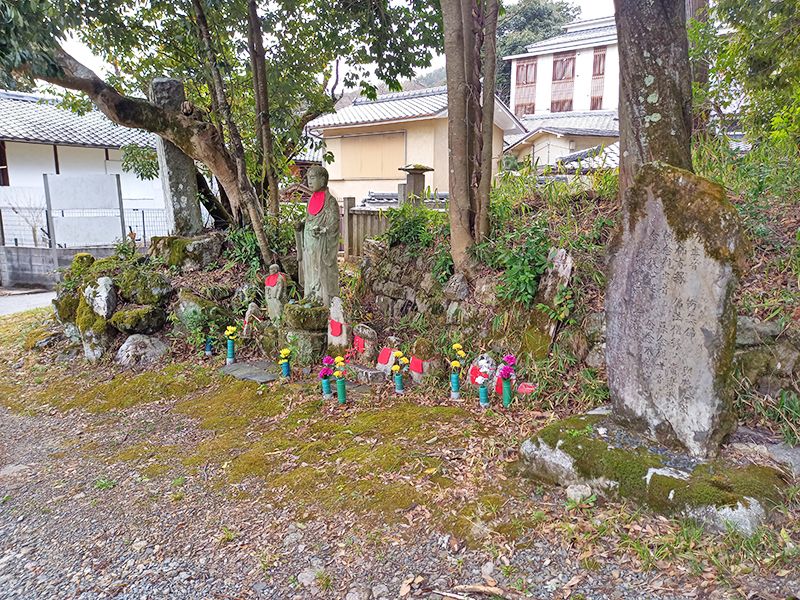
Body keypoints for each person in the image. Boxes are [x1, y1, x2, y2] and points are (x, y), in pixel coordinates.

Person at [298, 166, 340, 306]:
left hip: (322, 246)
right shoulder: (310, 200)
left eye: (313, 178)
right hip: (309, 246)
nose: (309, 182)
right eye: (308, 178)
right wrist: (301, 226)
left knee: (322, 272)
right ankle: (310, 296)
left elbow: (333, 225)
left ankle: (323, 301)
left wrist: (323, 230)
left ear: (322, 180)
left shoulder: (330, 202)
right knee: (310, 271)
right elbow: (309, 220)